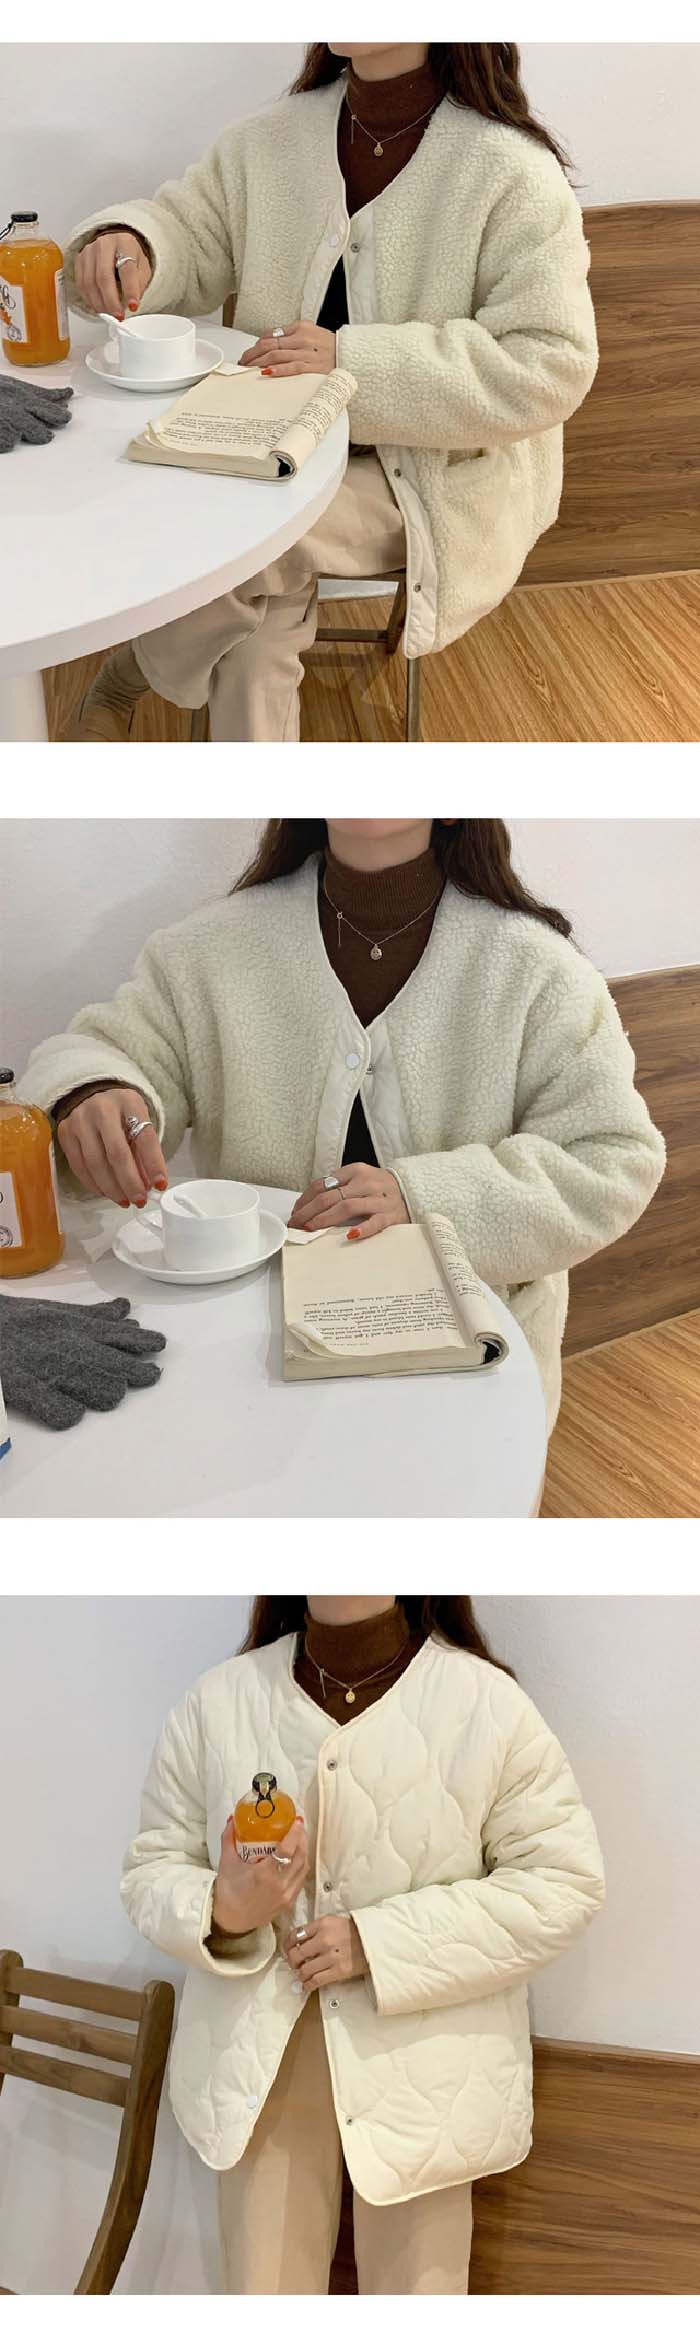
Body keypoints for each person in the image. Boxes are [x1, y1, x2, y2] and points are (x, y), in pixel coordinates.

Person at [20, 818, 665, 1435]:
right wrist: (92, 1089)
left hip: (469, 1353)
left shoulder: (538, 970)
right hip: (253, 1348)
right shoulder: (205, 951)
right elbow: (106, 1050)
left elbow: (611, 1157)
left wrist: (424, 1197)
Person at [63, 42, 598, 742]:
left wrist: (349, 364)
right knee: (254, 629)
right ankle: (232, 790)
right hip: (265, 442)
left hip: (427, 476)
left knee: (239, 545)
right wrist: (135, 244)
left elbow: (549, 362)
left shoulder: (510, 171)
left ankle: (129, 670)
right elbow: (190, 232)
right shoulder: (270, 140)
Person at [120, 1591, 606, 2294]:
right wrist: (223, 1909)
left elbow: (561, 1885)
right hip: (258, 2067)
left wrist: (377, 1942)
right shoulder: (218, 1702)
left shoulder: (485, 1705)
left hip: (430, 2076)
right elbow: (150, 1870)